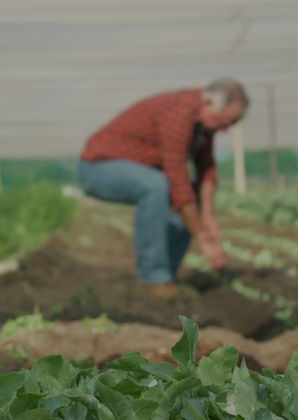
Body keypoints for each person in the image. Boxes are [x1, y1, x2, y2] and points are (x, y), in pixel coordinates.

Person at [78, 78, 248, 297]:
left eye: (229, 125)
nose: (223, 130)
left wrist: (207, 216)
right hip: (98, 168)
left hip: (139, 171)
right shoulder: (178, 114)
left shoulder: (203, 122)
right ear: (207, 103)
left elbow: (206, 168)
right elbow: (177, 177)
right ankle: (153, 277)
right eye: (223, 122)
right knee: (157, 186)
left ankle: (165, 275)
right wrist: (203, 238)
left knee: (180, 194)